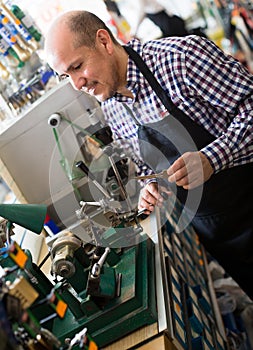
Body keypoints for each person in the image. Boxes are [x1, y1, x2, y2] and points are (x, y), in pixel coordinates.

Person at [44, 11, 253, 300]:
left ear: (104, 41)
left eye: (78, 66)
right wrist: (152, 188)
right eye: (66, 76)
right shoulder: (112, 109)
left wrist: (212, 158)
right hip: (221, 238)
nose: (77, 84)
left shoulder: (180, 59)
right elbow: (147, 164)